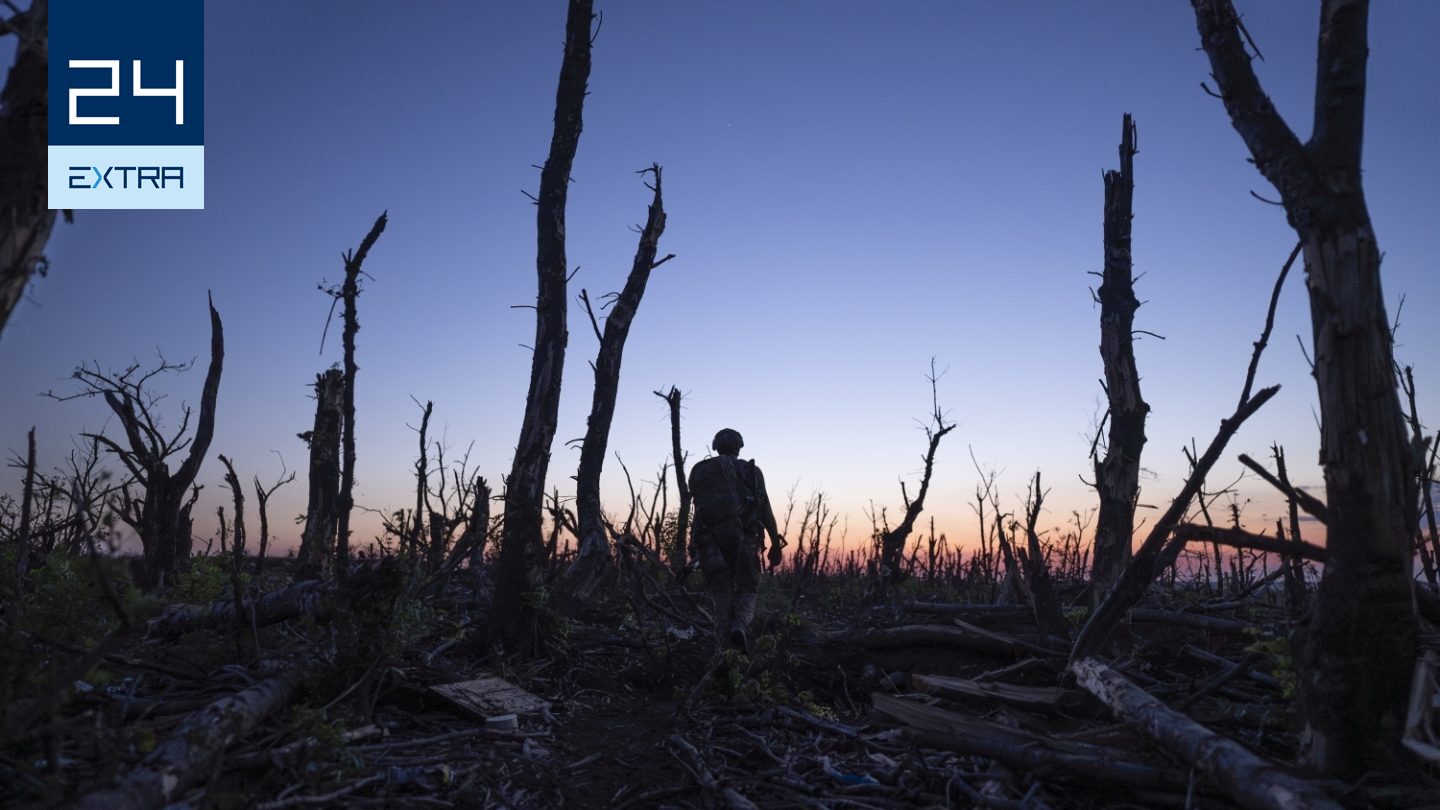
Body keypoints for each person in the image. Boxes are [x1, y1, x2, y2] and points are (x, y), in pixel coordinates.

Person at [687, 428, 785, 653]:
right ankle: (740, 626)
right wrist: (776, 544)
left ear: (715, 446)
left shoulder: (701, 471)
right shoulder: (751, 471)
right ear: (739, 447)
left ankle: (722, 648)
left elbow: (698, 513)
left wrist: (694, 545)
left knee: (721, 592)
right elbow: (765, 509)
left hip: (709, 542)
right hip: (743, 541)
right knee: (748, 589)